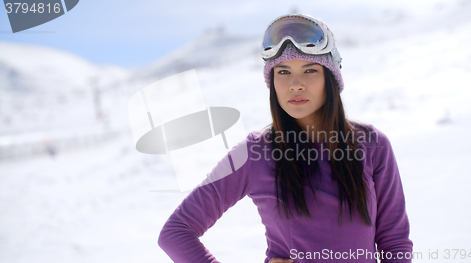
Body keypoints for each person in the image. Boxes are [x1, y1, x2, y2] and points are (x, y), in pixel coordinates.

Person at [158, 14, 413, 263]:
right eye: (283, 72)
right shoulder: (255, 153)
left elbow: (395, 242)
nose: (295, 84)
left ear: (330, 78)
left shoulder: (371, 145)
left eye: (310, 70)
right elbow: (176, 232)